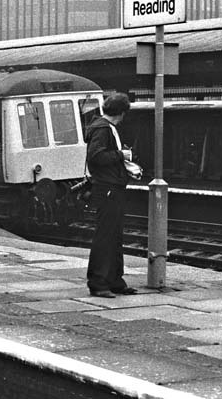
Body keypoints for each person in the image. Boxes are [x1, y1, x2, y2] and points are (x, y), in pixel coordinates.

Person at [84, 92, 137, 298]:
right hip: (107, 187)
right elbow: (96, 156)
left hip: (112, 186)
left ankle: (115, 280)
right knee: (106, 236)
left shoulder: (105, 128)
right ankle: (98, 283)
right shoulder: (103, 129)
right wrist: (120, 155)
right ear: (121, 113)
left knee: (114, 235)